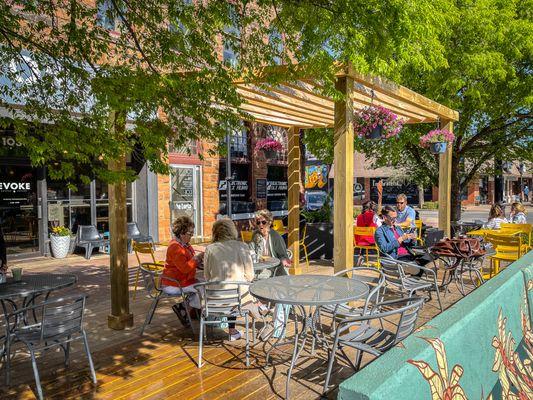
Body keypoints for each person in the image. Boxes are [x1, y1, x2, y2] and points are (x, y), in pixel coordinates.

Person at [203, 219, 266, 341]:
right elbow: (250, 276)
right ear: (232, 230)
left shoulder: (210, 249)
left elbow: (207, 277)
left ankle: (232, 330)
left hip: (214, 302)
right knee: (244, 290)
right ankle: (262, 309)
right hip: (239, 301)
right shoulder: (242, 246)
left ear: (215, 232)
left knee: (230, 290)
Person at [161, 216, 203, 325]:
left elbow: (191, 263)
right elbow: (185, 268)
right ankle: (188, 309)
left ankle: (185, 308)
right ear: (181, 233)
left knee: (203, 285)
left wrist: (199, 263)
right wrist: (197, 258)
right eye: (190, 234)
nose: (191, 236)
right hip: (174, 283)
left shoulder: (185, 245)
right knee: (203, 289)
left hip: (183, 280)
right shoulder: (175, 247)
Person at [375, 206, 430, 274]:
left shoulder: (397, 228)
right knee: (420, 267)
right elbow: (384, 248)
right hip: (397, 258)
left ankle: (415, 278)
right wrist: (399, 240)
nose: (395, 220)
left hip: (407, 255)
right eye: (392, 218)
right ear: (385, 217)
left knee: (430, 256)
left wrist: (413, 240)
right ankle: (414, 278)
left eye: (396, 217)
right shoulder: (380, 231)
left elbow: (408, 244)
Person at [251, 209, 291, 276]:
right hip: (259, 266)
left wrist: (284, 260)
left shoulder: (275, 237)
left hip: (273, 268)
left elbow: (283, 255)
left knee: (261, 277)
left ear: (269, 223)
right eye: (258, 222)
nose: (260, 225)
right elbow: (251, 250)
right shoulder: (255, 235)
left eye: (263, 222)